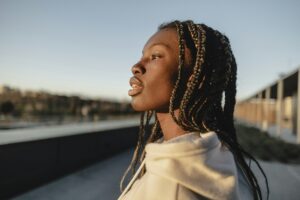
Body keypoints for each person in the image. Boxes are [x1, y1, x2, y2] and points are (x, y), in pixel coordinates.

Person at [118, 20, 269, 200]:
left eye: (155, 56)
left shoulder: (173, 189)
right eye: (143, 55)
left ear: (196, 78)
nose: (136, 67)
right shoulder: (217, 154)